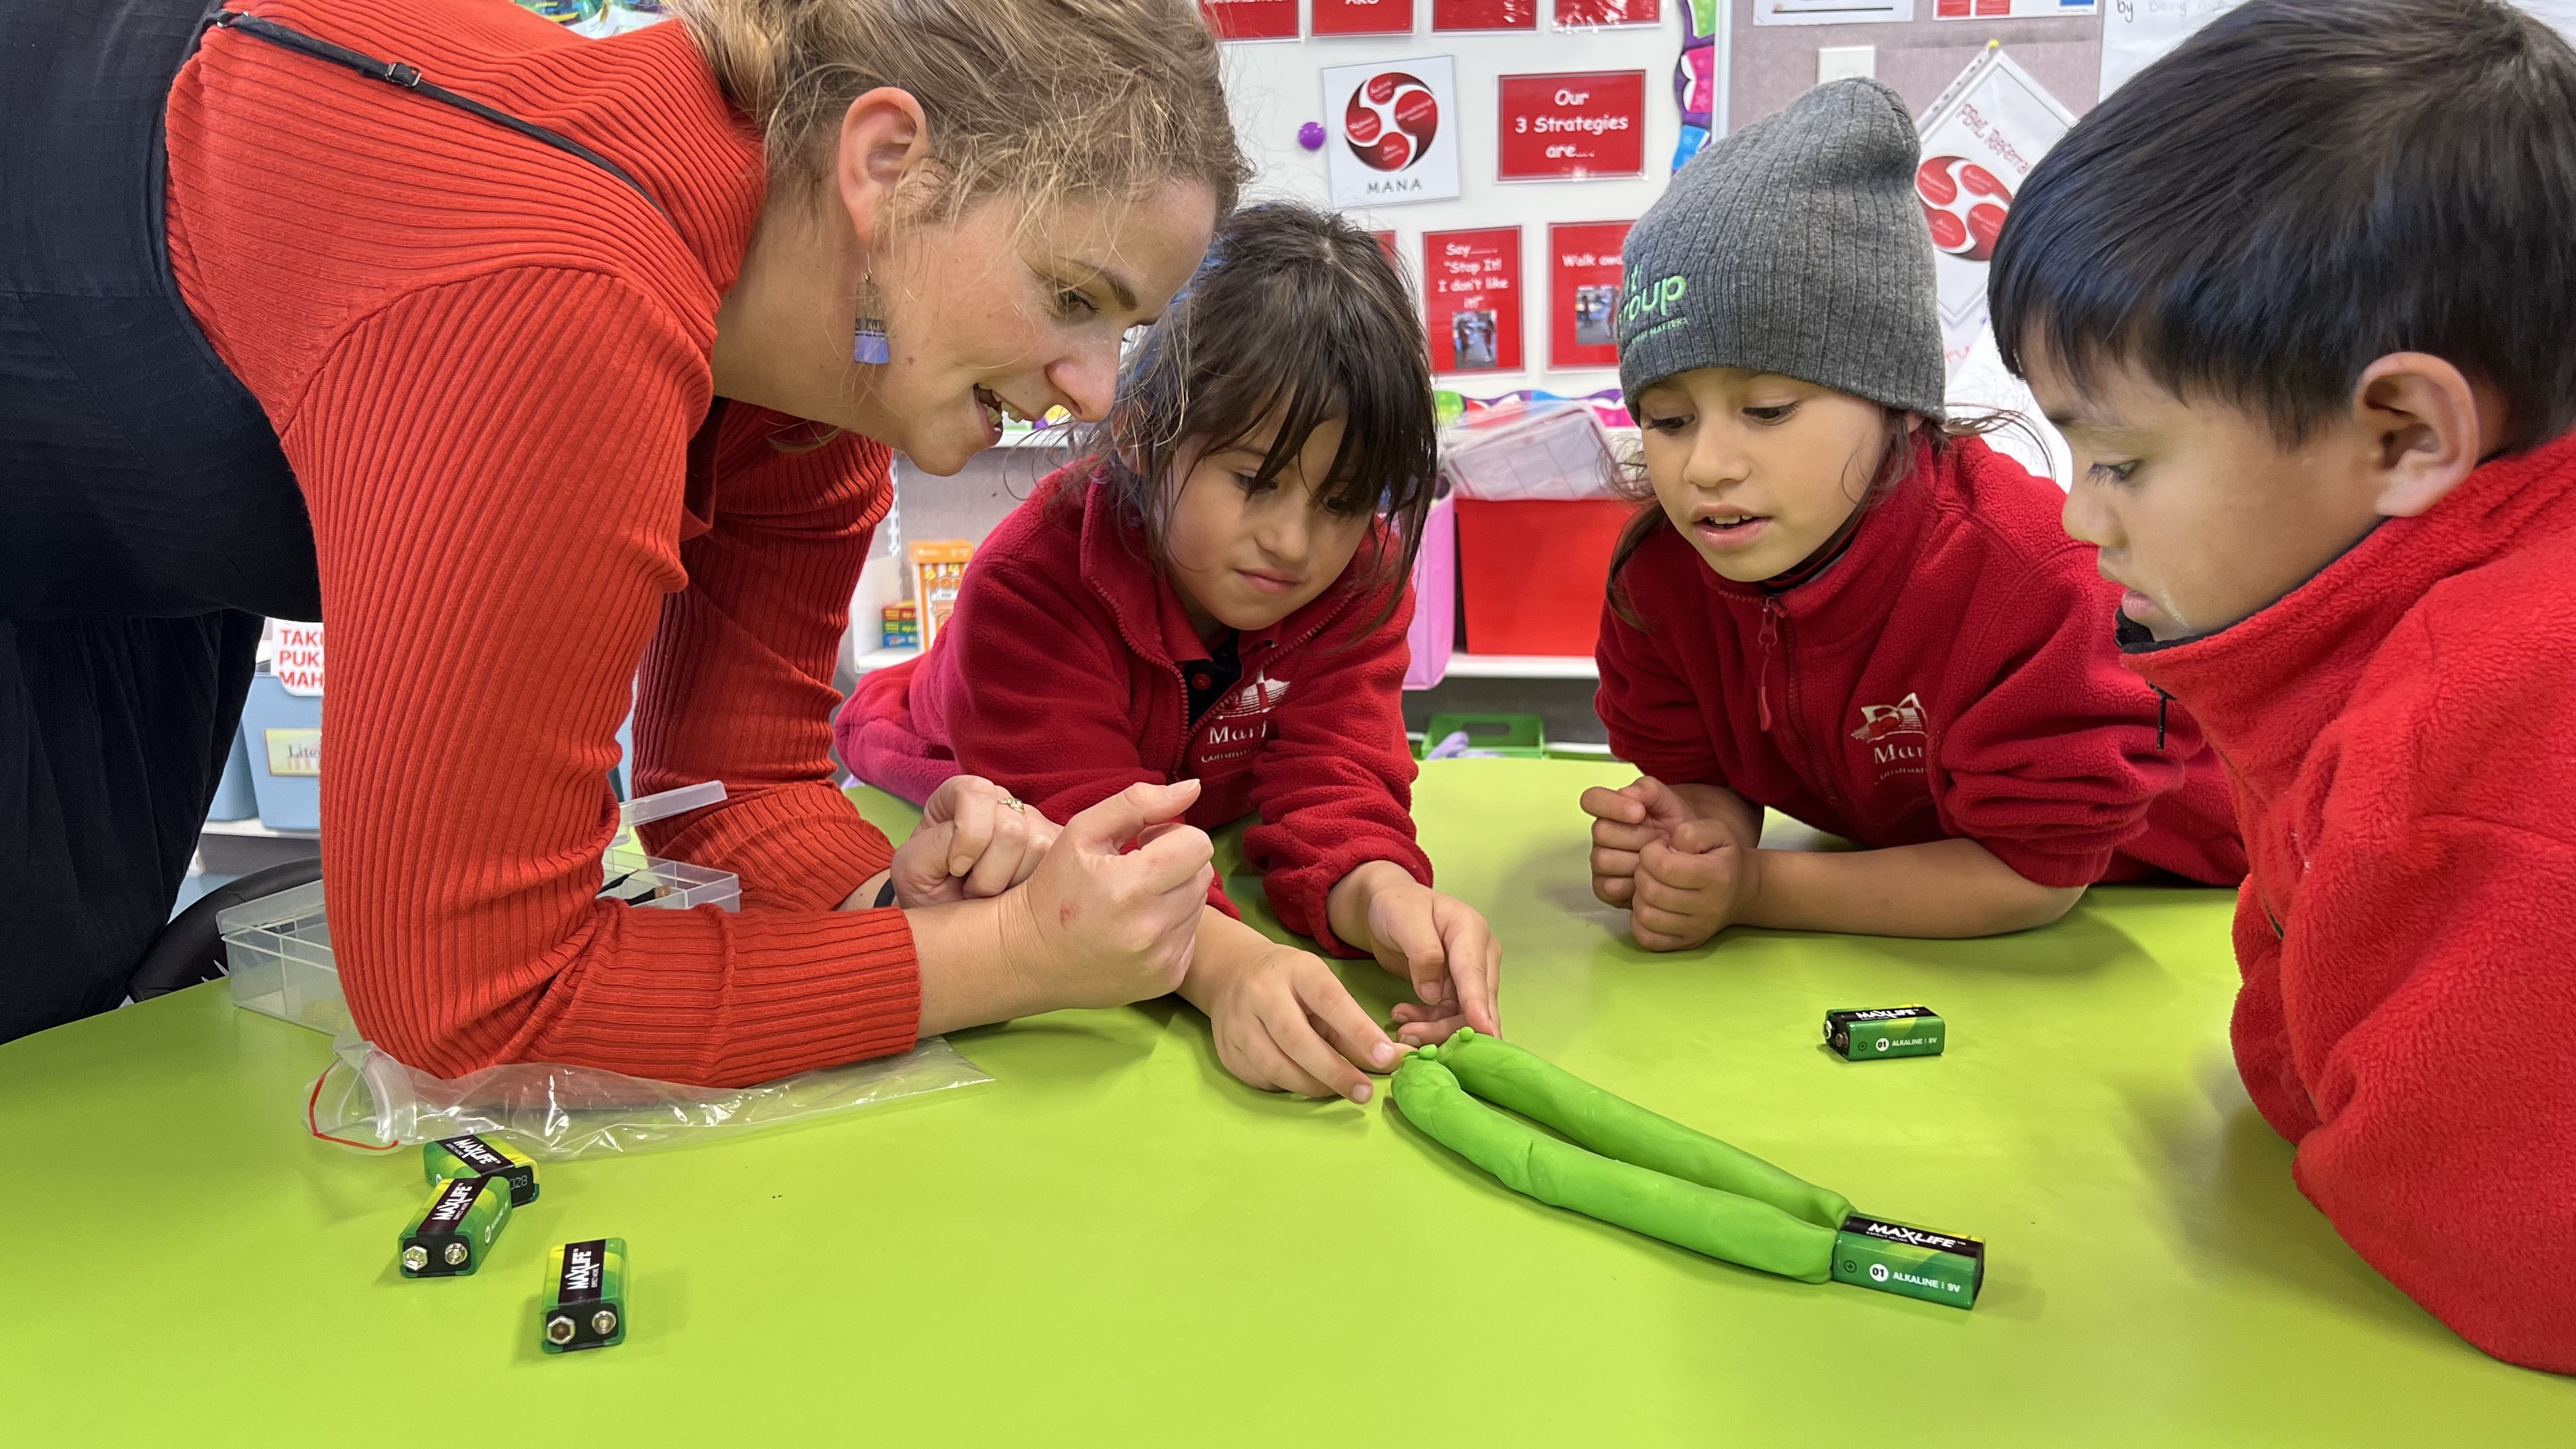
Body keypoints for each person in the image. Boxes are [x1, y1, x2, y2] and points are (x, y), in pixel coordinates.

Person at [0, 0, 1253, 1081]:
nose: (1095, 389)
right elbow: (473, 1001)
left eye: (1125, 329)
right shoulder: (561, 291)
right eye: (1074, 298)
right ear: (886, 167)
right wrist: (1005, 960)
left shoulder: (827, 373)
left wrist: (892, 907)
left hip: (128, 544)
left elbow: (743, 797)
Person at [1988, 0, 2576, 1372]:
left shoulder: (2475, 725)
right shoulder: (2377, 625)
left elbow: (2492, 1252)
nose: (2082, 522)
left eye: (2121, 462)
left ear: (2405, 434)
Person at [838, 203, 1499, 1105]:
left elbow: (1336, 777)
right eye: (1255, 481)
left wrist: (1385, 900)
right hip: (959, 762)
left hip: (1181, 795)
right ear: (1149, 436)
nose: (1295, 542)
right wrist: (1229, 969)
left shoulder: (1362, 575)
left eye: (1342, 502)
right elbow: (1083, 833)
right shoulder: (1031, 584)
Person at [1581, 80, 2244, 953]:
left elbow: (2033, 877)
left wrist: (1754, 887)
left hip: (2192, 893)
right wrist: (1689, 839)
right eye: (1667, 421)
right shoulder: (1660, 584)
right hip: (1912, 870)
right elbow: (1703, 777)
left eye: (1770, 408)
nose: (1706, 465)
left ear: (1897, 402)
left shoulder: (2031, 575)